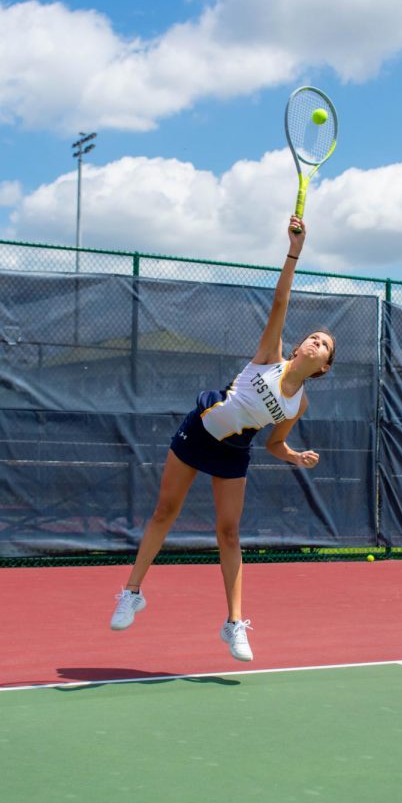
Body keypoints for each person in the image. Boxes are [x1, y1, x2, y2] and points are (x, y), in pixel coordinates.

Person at [110, 216, 336, 662]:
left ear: (325, 366)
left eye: (324, 344)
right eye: (312, 337)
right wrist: (294, 251)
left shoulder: (299, 405)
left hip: (235, 453)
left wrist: (293, 457)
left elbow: (273, 443)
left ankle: (233, 625)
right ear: (296, 348)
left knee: (229, 534)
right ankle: (132, 592)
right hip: (200, 429)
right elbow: (280, 301)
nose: (315, 342)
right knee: (164, 511)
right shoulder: (270, 357)